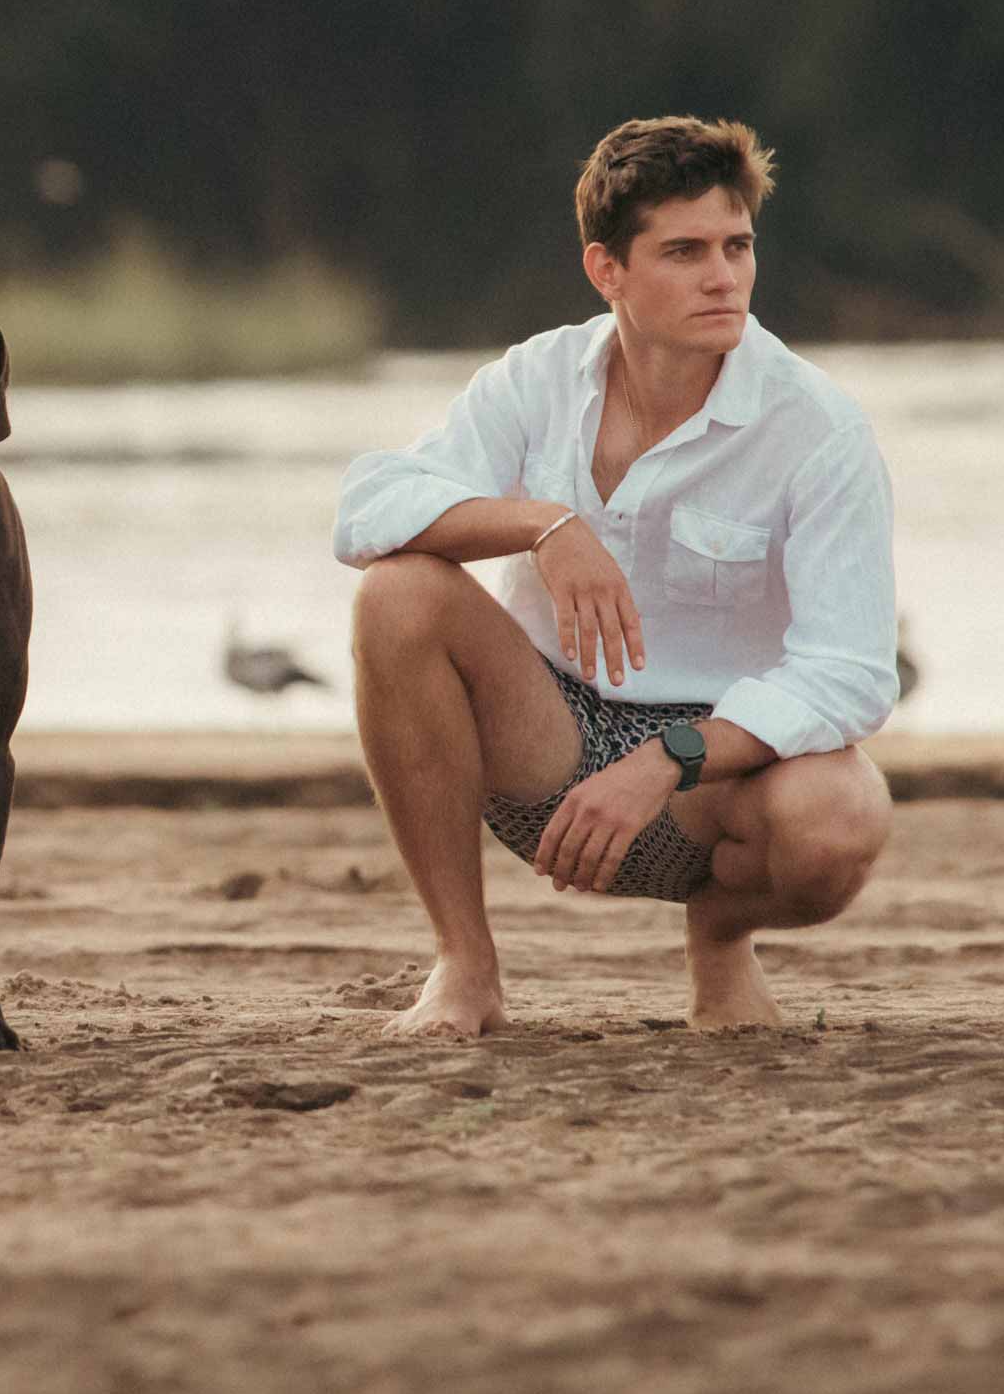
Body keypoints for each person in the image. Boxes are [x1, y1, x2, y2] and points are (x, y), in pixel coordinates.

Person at [332, 116, 897, 1036]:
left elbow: (852, 673)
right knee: (398, 593)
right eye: (684, 251)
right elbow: (367, 509)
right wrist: (544, 526)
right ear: (608, 272)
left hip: (724, 778)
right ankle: (464, 967)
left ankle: (721, 936)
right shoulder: (536, 379)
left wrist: (668, 760)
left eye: (737, 245)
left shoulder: (819, 428)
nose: (724, 277)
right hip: (542, 743)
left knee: (841, 816)